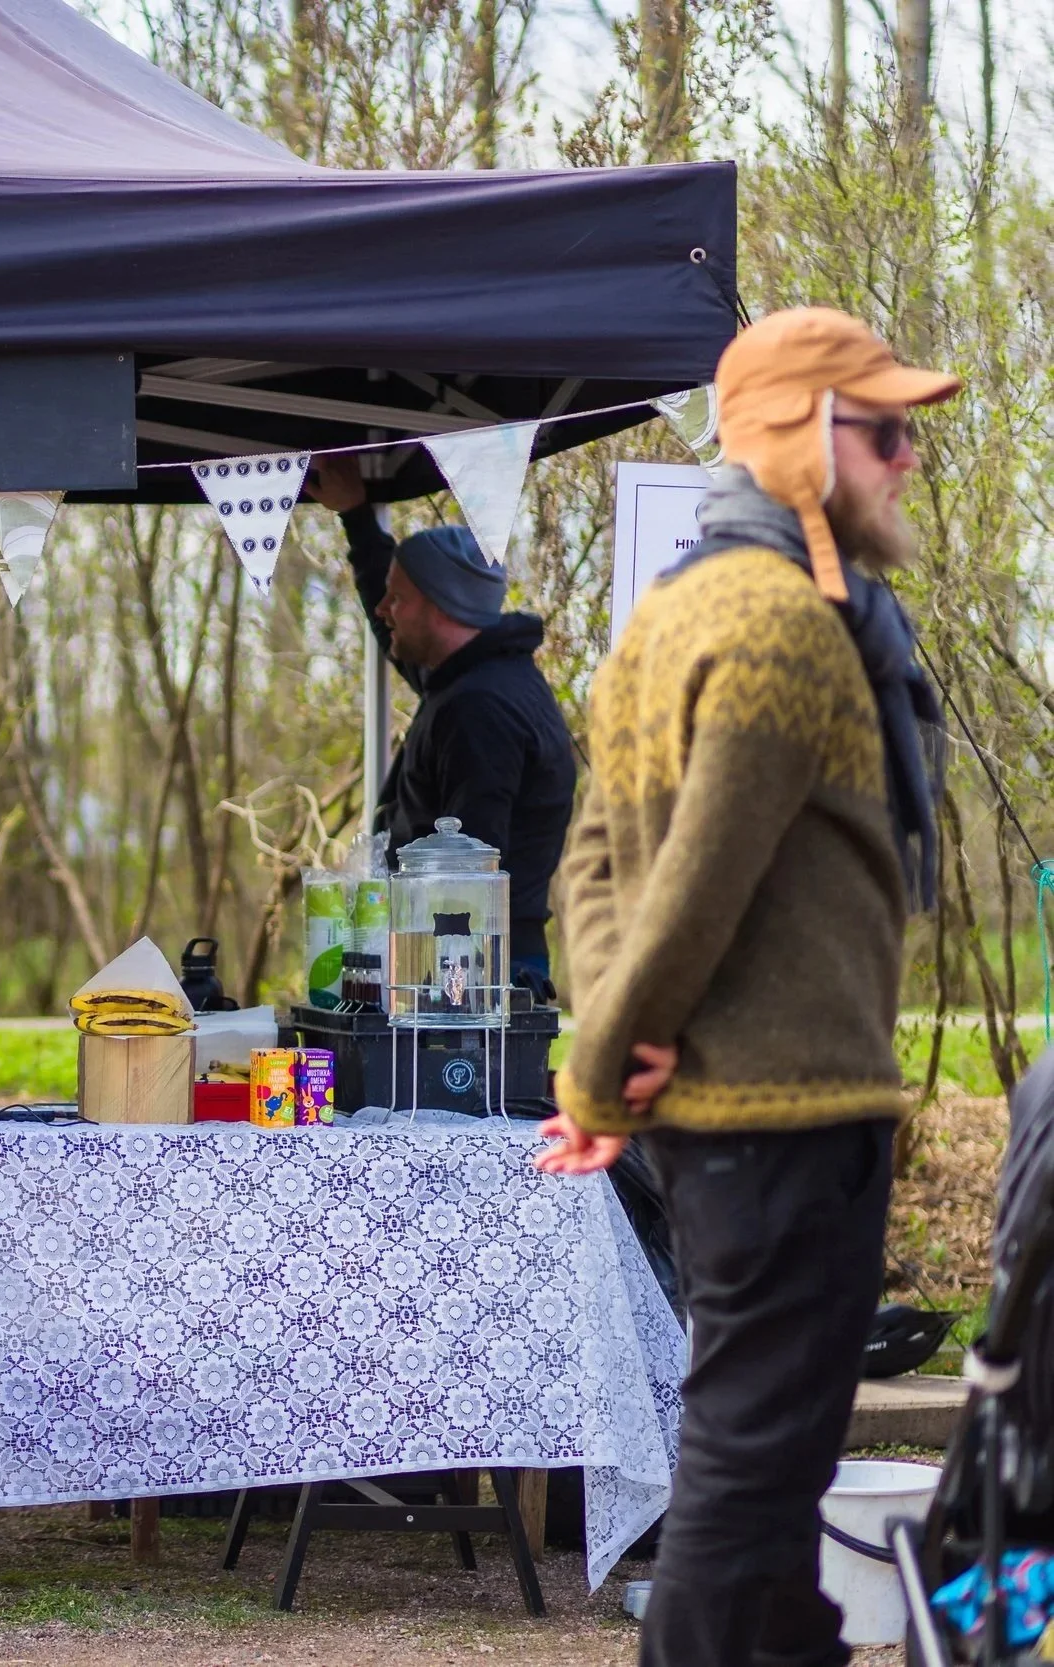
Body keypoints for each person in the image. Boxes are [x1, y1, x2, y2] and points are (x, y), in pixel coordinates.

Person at [536, 308, 960, 1667]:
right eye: (881, 429)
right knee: (749, 1483)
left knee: (764, 1482)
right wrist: (608, 1064)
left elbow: (589, 870)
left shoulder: (670, 609)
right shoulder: (781, 620)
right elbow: (694, 883)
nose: (906, 458)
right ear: (792, 435)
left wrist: (621, 1047)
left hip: (726, 1113)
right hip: (786, 1118)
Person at [308, 457, 576, 984]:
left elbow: (468, 879)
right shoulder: (472, 677)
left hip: (471, 971)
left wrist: (431, 982)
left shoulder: (480, 710)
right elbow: (394, 635)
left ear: (442, 609)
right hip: (469, 958)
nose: (384, 609)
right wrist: (358, 518)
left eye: (398, 597)